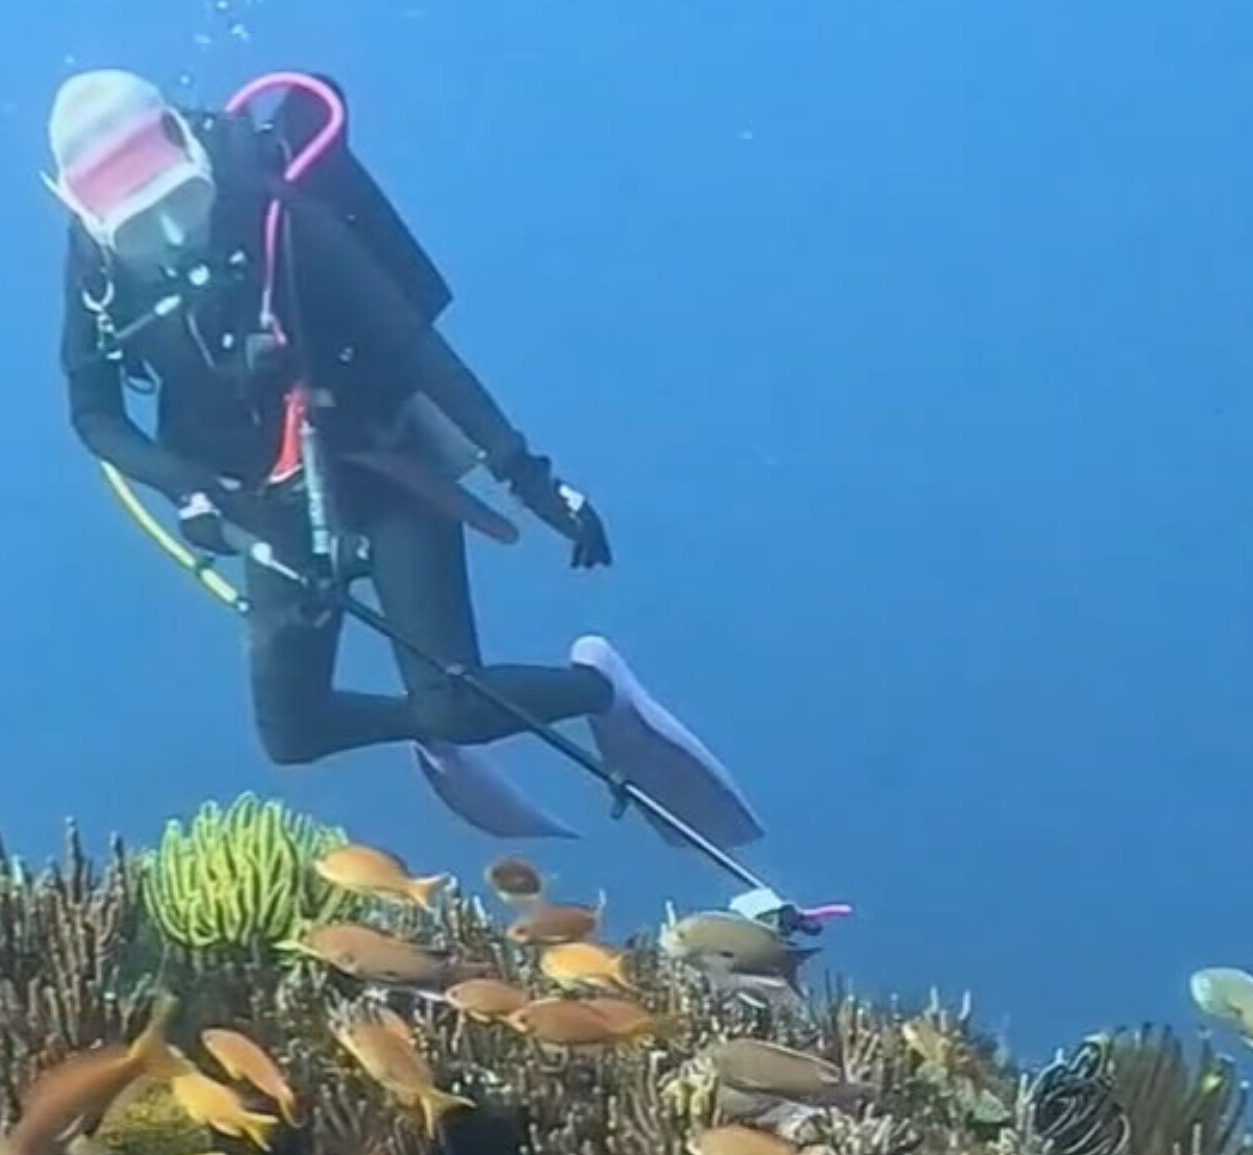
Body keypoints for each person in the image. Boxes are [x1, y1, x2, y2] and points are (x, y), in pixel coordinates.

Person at [48, 69, 762, 848]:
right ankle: (431, 725)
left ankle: (601, 693)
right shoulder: (95, 274)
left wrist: (529, 477)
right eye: (141, 228)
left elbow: (413, 346)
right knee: (293, 731)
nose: (172, 238)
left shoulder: (278, 217)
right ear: (90, 216)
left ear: (192, 156)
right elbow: (94, 415)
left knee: (453, 700)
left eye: (181, 204)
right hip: (261, 498)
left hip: (383, 459)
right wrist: (188, 487)